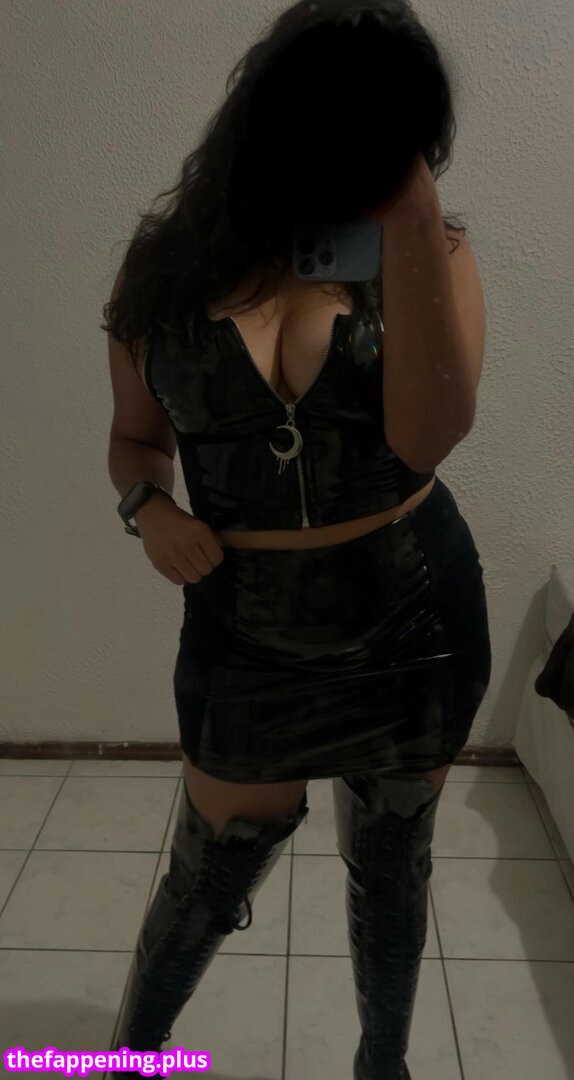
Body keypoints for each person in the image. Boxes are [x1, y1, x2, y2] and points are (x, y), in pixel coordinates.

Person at [103, 2, 491, 1077]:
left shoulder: (426, 251)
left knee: (393, 864)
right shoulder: (166, 270)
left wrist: (411, 214)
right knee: (206, 874)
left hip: (414, 613)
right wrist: (148, 510)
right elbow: (134, 441)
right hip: (246, 631)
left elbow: (424, 440)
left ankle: (382, 1068)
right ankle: (129, 1061)